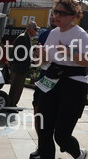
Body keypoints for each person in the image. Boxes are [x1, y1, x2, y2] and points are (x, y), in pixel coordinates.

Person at [35, 0, 88, 159]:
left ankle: (79, 155)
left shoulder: (80, 34)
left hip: (74, 85)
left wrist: (69, 51)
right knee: (43, 128)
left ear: (73, 16)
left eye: (61, 13)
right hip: (51, 80)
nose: (57, 16)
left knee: (61, 135)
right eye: (55, 12)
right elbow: (45, 61)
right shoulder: (53, 33)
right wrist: (41, 55)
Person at [30, 14, 56, 159]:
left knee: (52, 118)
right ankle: (42, 146)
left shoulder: (69, 36)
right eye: (52, 14)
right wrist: (36, 56)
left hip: (58, 82)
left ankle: (49, 145)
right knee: (38, 112)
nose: (53, 17)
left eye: (58, 14)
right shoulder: (44, 34)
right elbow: (37, 60)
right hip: (43, 79)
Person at [9, 21, 39, 107]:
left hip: (21, 68)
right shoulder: (23, 38)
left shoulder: (27, 38)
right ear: (30, 29)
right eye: (35, 29)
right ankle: (11, 105)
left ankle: (13, 104)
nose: (36, 32)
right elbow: (18, 54)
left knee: (18, 88)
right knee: (15, 88)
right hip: (19, 68)